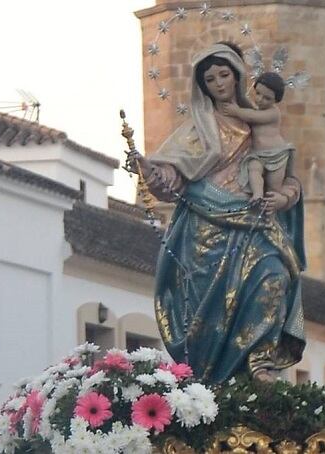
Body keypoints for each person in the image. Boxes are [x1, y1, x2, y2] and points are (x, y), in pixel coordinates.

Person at [129, 42, 306, 383]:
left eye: (224, 75)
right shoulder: (197, 128)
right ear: (202, 86)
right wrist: (153, 171)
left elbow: (286, 173)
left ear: (238, 76)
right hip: (205, 230)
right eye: (210, 79)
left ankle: (259, 360)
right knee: (206, 312)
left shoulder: (259, 122)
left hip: (255, 221)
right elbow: (173, 175)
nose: (219, 84)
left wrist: (283, 198)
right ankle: (209, 379)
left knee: (276, 275)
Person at [220, 72, 294, 203]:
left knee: (273, 187)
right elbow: (250, 113)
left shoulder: (273, 113)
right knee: (253, 169)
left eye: (267, 98)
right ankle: (258, 195)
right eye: (258, 94)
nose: (260, 99)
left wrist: (236, 111)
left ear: (276, 100)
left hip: (276, 155)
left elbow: (253, 117)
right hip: (258, 154)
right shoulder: (256, 109)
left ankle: (270, 212)